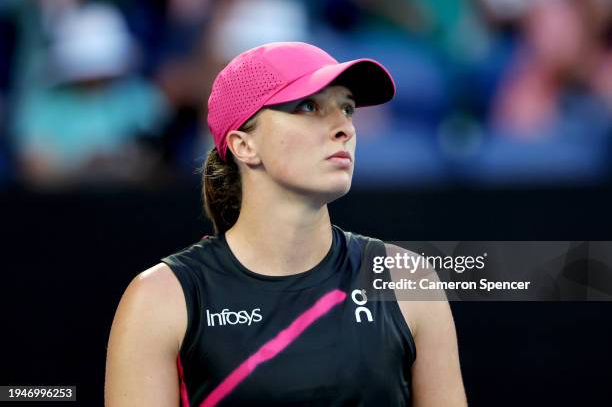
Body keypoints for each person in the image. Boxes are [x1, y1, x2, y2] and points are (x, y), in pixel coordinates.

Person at [105, 41, 467, 406]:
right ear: (244, 146)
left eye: (347, 108)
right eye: (308, 106)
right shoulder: (160, 299)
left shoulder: (409, 281)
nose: (344, 127)